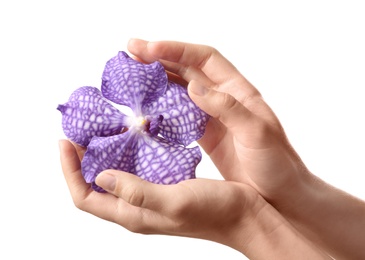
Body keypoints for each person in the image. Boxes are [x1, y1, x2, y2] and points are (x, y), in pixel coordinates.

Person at [59, 38, 365, 259]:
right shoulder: (104, 146)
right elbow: (76, 112)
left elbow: (188, 111)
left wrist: (244, 221)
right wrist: (293, 189)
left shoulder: (176, 108)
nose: (141, 123)